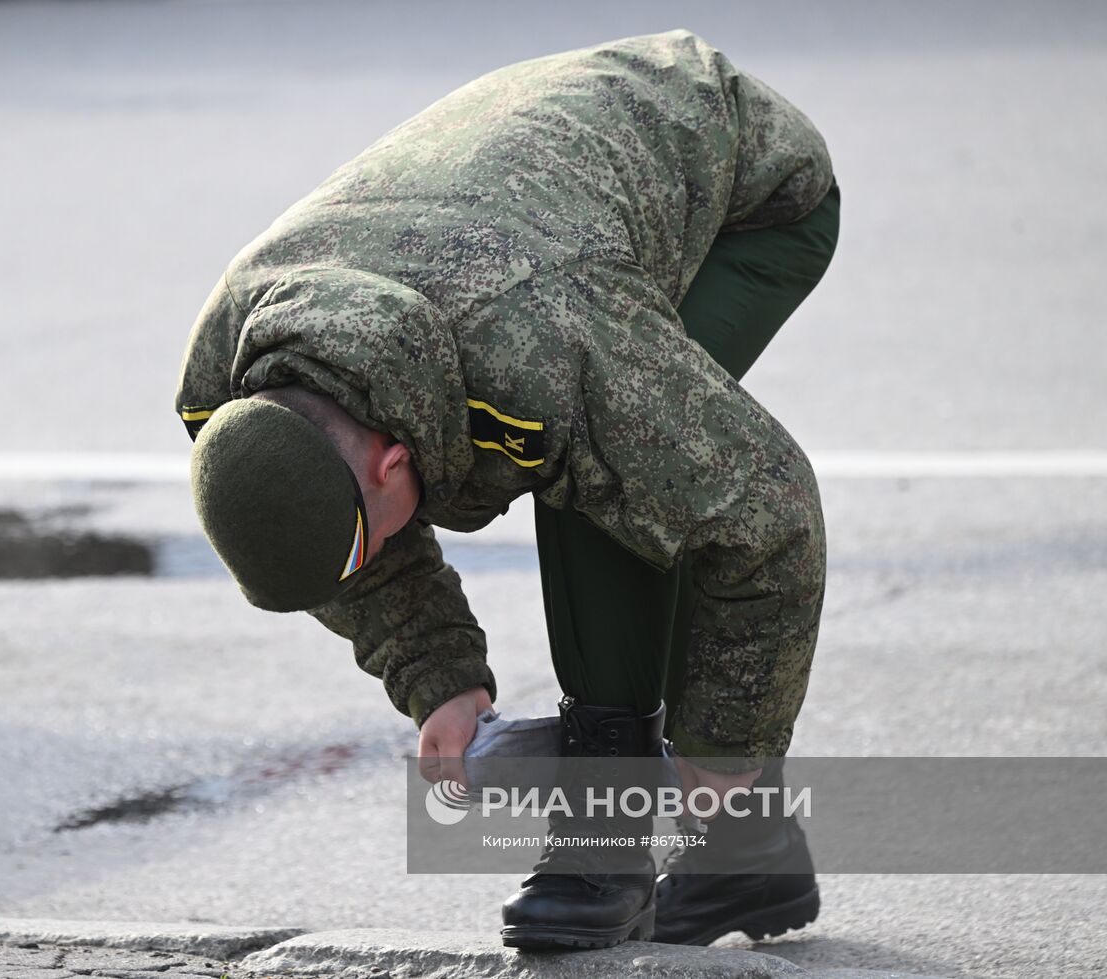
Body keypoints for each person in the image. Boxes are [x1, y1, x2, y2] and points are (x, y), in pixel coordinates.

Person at [177, 29, 838, 950]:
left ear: (394, 463)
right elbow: (336, 537)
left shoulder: (541, 345)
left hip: (742, 184)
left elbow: (769, 518)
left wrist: (727, 746)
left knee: (613, 483)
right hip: (536, 189)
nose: (357, 571)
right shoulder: (233, 384)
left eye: (357, 550)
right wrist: (439, 679)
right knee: (606, 452)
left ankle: (605, 836)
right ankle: (749, 856)